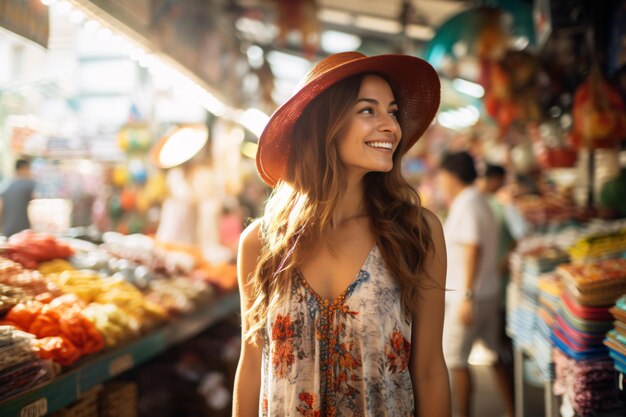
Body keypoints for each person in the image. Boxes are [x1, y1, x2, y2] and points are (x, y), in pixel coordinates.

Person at [233, 52, 451, 416]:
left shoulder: (416, 233)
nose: (391, 126)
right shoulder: (262, 242)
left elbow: (429, 372)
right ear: (325, 124)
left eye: (393, 111)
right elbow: (252, 365)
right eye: (369, 110)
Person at [438, 153, 514, 417]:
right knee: (494, 354)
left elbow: (473, 248)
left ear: (451, 175)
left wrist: (467, 294)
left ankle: (463, 414)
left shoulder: (468, 203)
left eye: (442, 175)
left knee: (454, 359)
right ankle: (512, 410)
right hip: (487, 291)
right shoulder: (480, 200)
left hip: (469, 295)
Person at [0, 159, 36, 237]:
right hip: (23, 231)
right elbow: (35, 205)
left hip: (7, 231)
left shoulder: (5, 186)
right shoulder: (28, 184)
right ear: (24, 168)